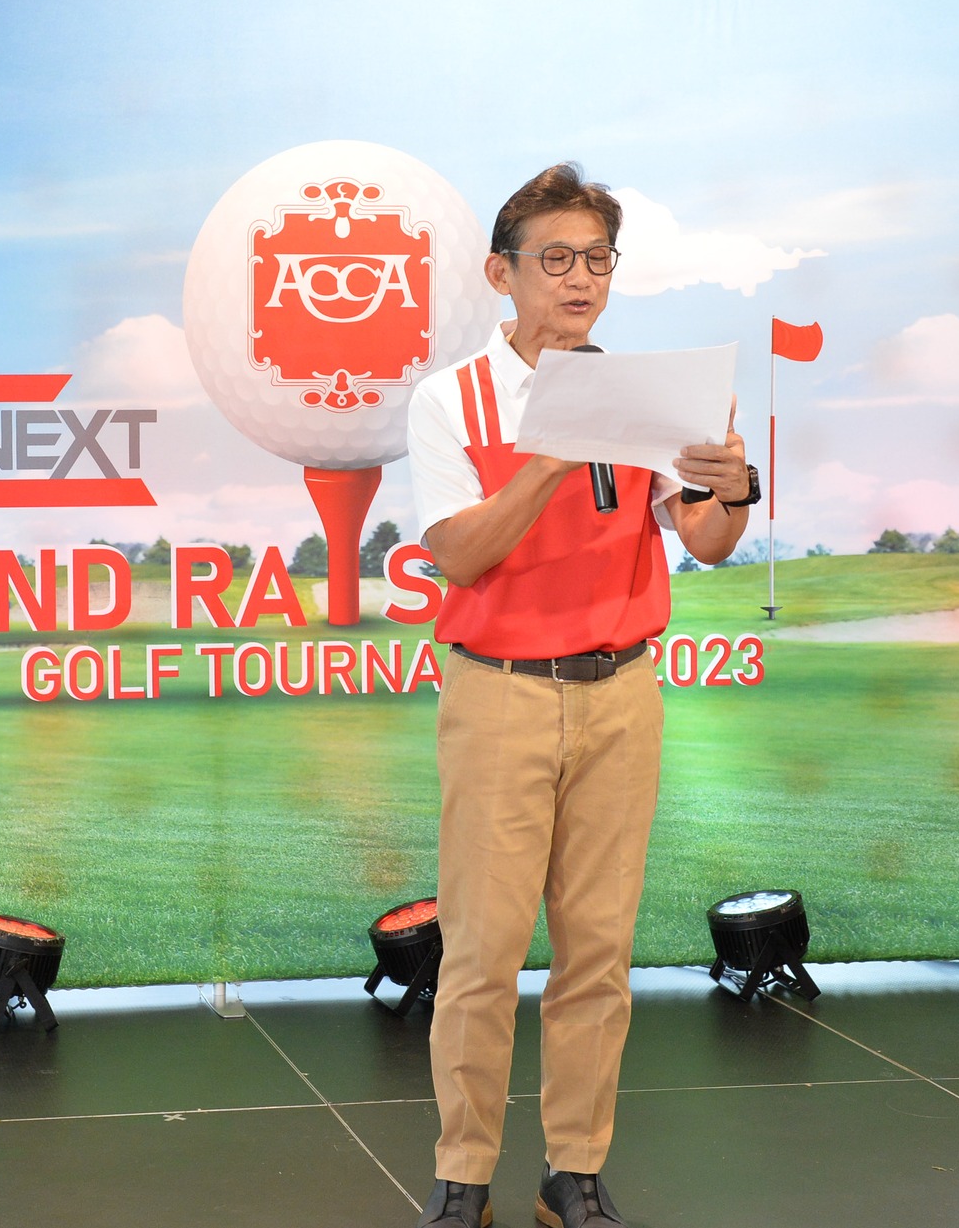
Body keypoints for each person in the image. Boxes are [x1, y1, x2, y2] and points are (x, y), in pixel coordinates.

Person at [404, 164, 756, 1228]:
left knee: (597, 950)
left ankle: (575, 1169)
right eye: (554, 258)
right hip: (500, 694)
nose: (579, 279)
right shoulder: (449, 398)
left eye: (596, 258)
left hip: (621, 692)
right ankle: (463, 1173)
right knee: (481, 951)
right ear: (500, 273)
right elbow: (459, 556)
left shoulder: (644, 393)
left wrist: (733, 488)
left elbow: (704, 539)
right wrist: (548, 460)